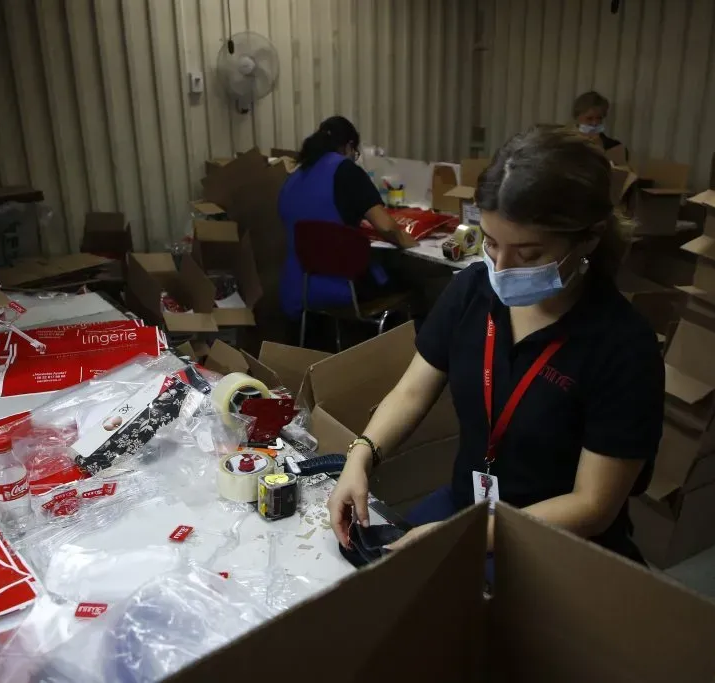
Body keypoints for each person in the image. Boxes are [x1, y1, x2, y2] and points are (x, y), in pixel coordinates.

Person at [326, 126, 663, 565]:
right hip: (467, 507)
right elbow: (412, 391)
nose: (500, 269)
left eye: (527, 255)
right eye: (490, 243)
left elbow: (592, 505)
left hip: (554, 541)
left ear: (589, 238)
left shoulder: (623, 347)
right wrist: (361, 456)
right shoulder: (472, 291)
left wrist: (464, 535)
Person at [277, 115, 404, 320]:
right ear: (349, 146)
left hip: (298, 287)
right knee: (411, 280)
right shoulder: (345, 170)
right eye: (355, 153)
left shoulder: (293, 177)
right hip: (343, 286)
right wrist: (409, 243)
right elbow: (386, 227)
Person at [572, 91, 625, 155]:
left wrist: (601, 149)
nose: (595, 123)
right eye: (589, 118)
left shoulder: (615, 146)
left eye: (599, 118)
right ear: (577, 118)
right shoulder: (566, 144)